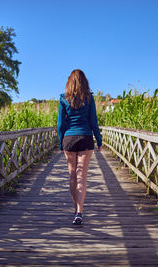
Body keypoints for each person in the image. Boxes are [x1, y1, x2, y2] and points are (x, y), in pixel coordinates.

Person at [58, 69, 102, 225]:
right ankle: (79, 211)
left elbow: (61, 125)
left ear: (70, 82)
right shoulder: (89, 99)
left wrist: (60, 142)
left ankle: (75, 208)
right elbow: (93, 122)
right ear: (84, 81)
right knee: (81, 175)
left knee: (72, 175)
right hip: (85, 137)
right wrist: (99, 140)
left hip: (69, 139)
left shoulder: (63, 99)